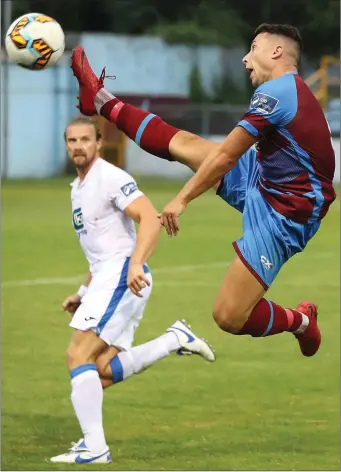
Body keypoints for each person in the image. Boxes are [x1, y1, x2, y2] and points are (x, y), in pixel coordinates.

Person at [70, 23, 336, 361]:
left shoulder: (281, 92)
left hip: (286, 214)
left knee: (228, 315)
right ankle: (99, 100)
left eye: (253, 47)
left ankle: (300, 321)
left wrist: (181, 199)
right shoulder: (283, 91)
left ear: (276, 52)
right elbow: (226, 155)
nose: (244, 58)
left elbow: (226, 156)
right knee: (185, 143)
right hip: (264, 178)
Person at [50, 117, 215, 464]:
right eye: (72, 141)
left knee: (77, 356)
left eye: (85, 139)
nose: (78, 146)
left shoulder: (109, 177)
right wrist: (83, 292)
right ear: (67, 146)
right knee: (99, 372)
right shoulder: (77, 189)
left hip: (124, 275)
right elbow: (101, 250)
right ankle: (174, 339)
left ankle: (95, 449)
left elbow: (149, 217)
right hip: (108, 276)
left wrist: (136, 263)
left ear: (98, 142)